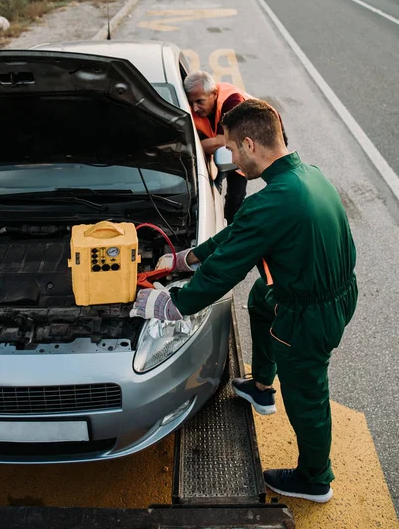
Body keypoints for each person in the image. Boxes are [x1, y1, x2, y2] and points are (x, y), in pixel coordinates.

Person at [131, 99, 358, 503]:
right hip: (326, 290)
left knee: (307, 393)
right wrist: (188, 256)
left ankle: (315, 479)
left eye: (232, 150)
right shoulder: (306, 175)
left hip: (308, 313)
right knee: (260, 297)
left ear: (250, 144)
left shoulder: (272, 203)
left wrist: (171, 305)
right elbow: (239, 232)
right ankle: (260, 385)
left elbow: (223, 272)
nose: (231, 160)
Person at [183, 71, 249, 224]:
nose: (195, 108)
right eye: (191, 102)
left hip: (263, 139)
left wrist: (186, 148)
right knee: (234, 197)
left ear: (213, 93)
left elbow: (222, 142)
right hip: (236, 148)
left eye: (200, 101)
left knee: (237, 195)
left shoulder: (233, 101)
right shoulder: (193, 108)